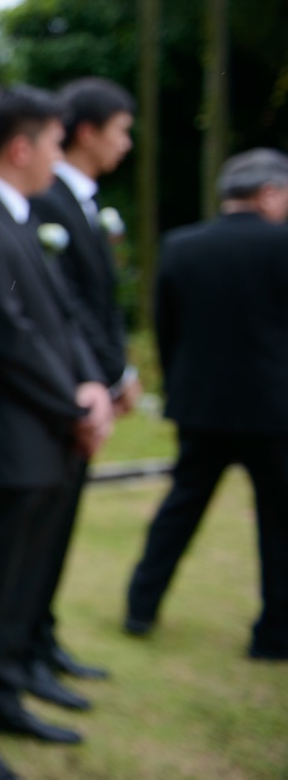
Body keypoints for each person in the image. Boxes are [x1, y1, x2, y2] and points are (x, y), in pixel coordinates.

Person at [0, 86, 112, 780]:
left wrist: (91, 383)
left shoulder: (17, 214)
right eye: (54, 144)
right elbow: (10, 335)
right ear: (22, 147)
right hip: (15, 433)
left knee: (15, 583)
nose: (59, 158)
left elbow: (60, 314)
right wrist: (72, 404)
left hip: (46, 430)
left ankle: (0, 692)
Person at [125, 148, 288, 660]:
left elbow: (166, 330)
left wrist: (180, 388)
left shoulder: (181, 246)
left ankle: (140, 606)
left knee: (179, 510)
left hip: (201, 407)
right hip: (274, 410)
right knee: (280, 523)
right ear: (268, 193)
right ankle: (274, 635)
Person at [25, 77, 138, 705]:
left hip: (87, 386)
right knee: (40, 535)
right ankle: (23, 650)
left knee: (60, 531)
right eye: (121, 130)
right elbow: (63, 306)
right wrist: (102, 377)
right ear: (87, 131)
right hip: (66, 394)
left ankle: (41, 636)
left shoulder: (85, 202)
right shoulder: (48, 202)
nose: (127, 144)